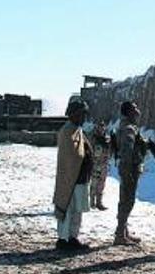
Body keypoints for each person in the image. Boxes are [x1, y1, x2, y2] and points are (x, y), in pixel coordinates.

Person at [53, 100, 93, 252]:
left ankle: (73, 237)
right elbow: (71, 157)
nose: (84, 117)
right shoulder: (66, 131)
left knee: (77, 211)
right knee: (68, 209)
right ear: (75, 114)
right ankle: (63, 239)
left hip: (80, 178)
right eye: (82, 114)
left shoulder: (78, 130)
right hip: (70, 179)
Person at [115, 101, 149, 245]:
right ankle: (119, 234)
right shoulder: (129, 128)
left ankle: (123, 232)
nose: (138, 111)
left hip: (129, 168)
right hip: (130, 168)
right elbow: (127, 151)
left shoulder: (128, 126)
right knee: (127, 201)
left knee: (126, 199)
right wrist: (128, 170)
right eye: (134, 109)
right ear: (129, 112)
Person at [88, 120, 111, 211]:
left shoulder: (106, 138)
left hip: (104, 164)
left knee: (101, 184)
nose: (102, 128)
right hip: (95, 164)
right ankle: (92, 202)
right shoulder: (93, 138)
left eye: (103, 126)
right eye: (100, 126)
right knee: (94, 184)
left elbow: (109, 151)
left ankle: (99, 202)